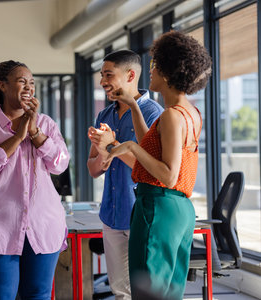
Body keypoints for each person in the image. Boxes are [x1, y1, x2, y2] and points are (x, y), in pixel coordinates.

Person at [103, 31, 212, 299]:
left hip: (157, 206)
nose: (149, 71)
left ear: (167, 72)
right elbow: (154, 146)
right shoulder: (190, 112)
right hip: (178, 210)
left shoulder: (171, 117)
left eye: (154, 65)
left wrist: (129, 147)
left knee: (148, 292)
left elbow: (169, 174)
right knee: (169, 291)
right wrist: (134, 107)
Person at [0, 60, 70, 300]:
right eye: (22, 81)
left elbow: (60, 163)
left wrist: (34, 133)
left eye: (31, 83)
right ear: (3, 85)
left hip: (43, 225)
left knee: (38, 295)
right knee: (0, 296)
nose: (28, 87)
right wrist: (18, 135)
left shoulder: (46, 124)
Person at [87, 50, 163, 300]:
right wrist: (103, 154)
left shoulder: (153, 114)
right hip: (111, 214)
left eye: (108, 75)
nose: (102, 82)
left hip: (141, 214)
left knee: (146, 292)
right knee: (120, 291)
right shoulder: (104, 115)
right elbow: (93, 169)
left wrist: (112, 146)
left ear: (131, 75)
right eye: (101, 75)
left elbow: (151, 168)